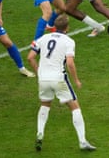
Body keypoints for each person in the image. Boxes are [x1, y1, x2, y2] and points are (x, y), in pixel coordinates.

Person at [27, 14, 96, 152]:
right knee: (75, 107)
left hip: (43, 79)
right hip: (58, 78)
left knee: (45, 104)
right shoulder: (68, 41)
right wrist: (76, 80)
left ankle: (40, 133)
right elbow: (70, 63)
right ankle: (82, 141)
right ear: (67, 27)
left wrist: (39, 71)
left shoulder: (42, 38)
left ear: (55, 26)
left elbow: (30, 57)